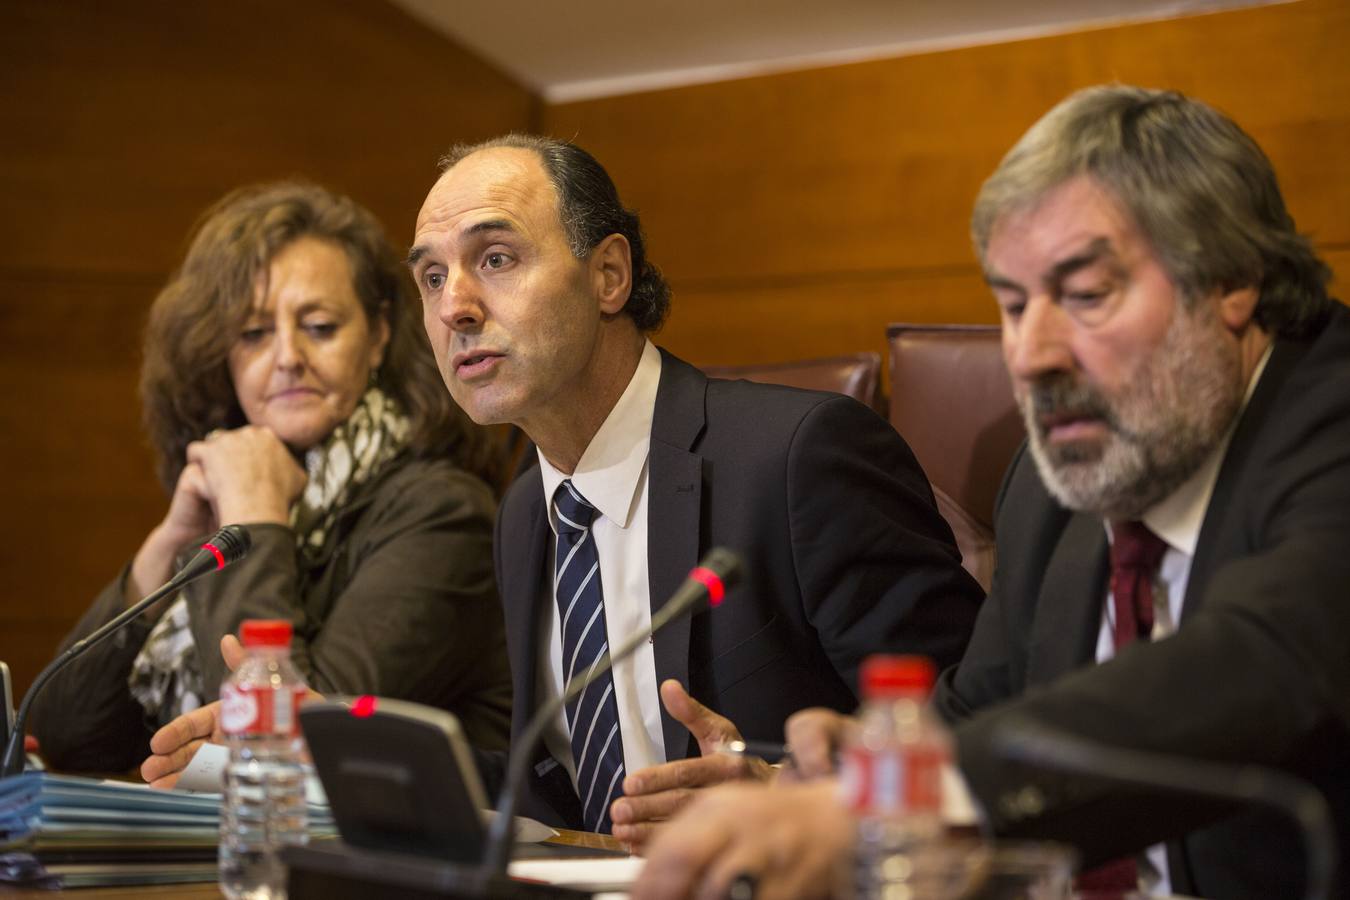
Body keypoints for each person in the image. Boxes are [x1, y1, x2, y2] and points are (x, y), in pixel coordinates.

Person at [144, 137, 983, 837]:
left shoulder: (800, 457)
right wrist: (324, 742)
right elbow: (550, 793)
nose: (455, 309)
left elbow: (975, 740)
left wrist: (790, 800)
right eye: (432, 278)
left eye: (495, 259)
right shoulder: (526, 511)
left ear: (609, 274)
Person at [632, 85, 1350, 900]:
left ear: (1232, 281)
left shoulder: (1332, 415)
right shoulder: (1054, 486)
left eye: (1084, 296)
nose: (1031, 354)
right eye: (1011, 304)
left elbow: (1269, 662)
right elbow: (978, 715)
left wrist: (934, 794)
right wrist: (833, 793)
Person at [31, 182, 514, 773]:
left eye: (318, 326)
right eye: (255, 334)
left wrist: (253, 520)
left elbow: (287, 743)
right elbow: (65, 735)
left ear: (378, 336)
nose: (286, 356)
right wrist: (166, 549)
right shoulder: (232, 491)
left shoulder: (445, 513)